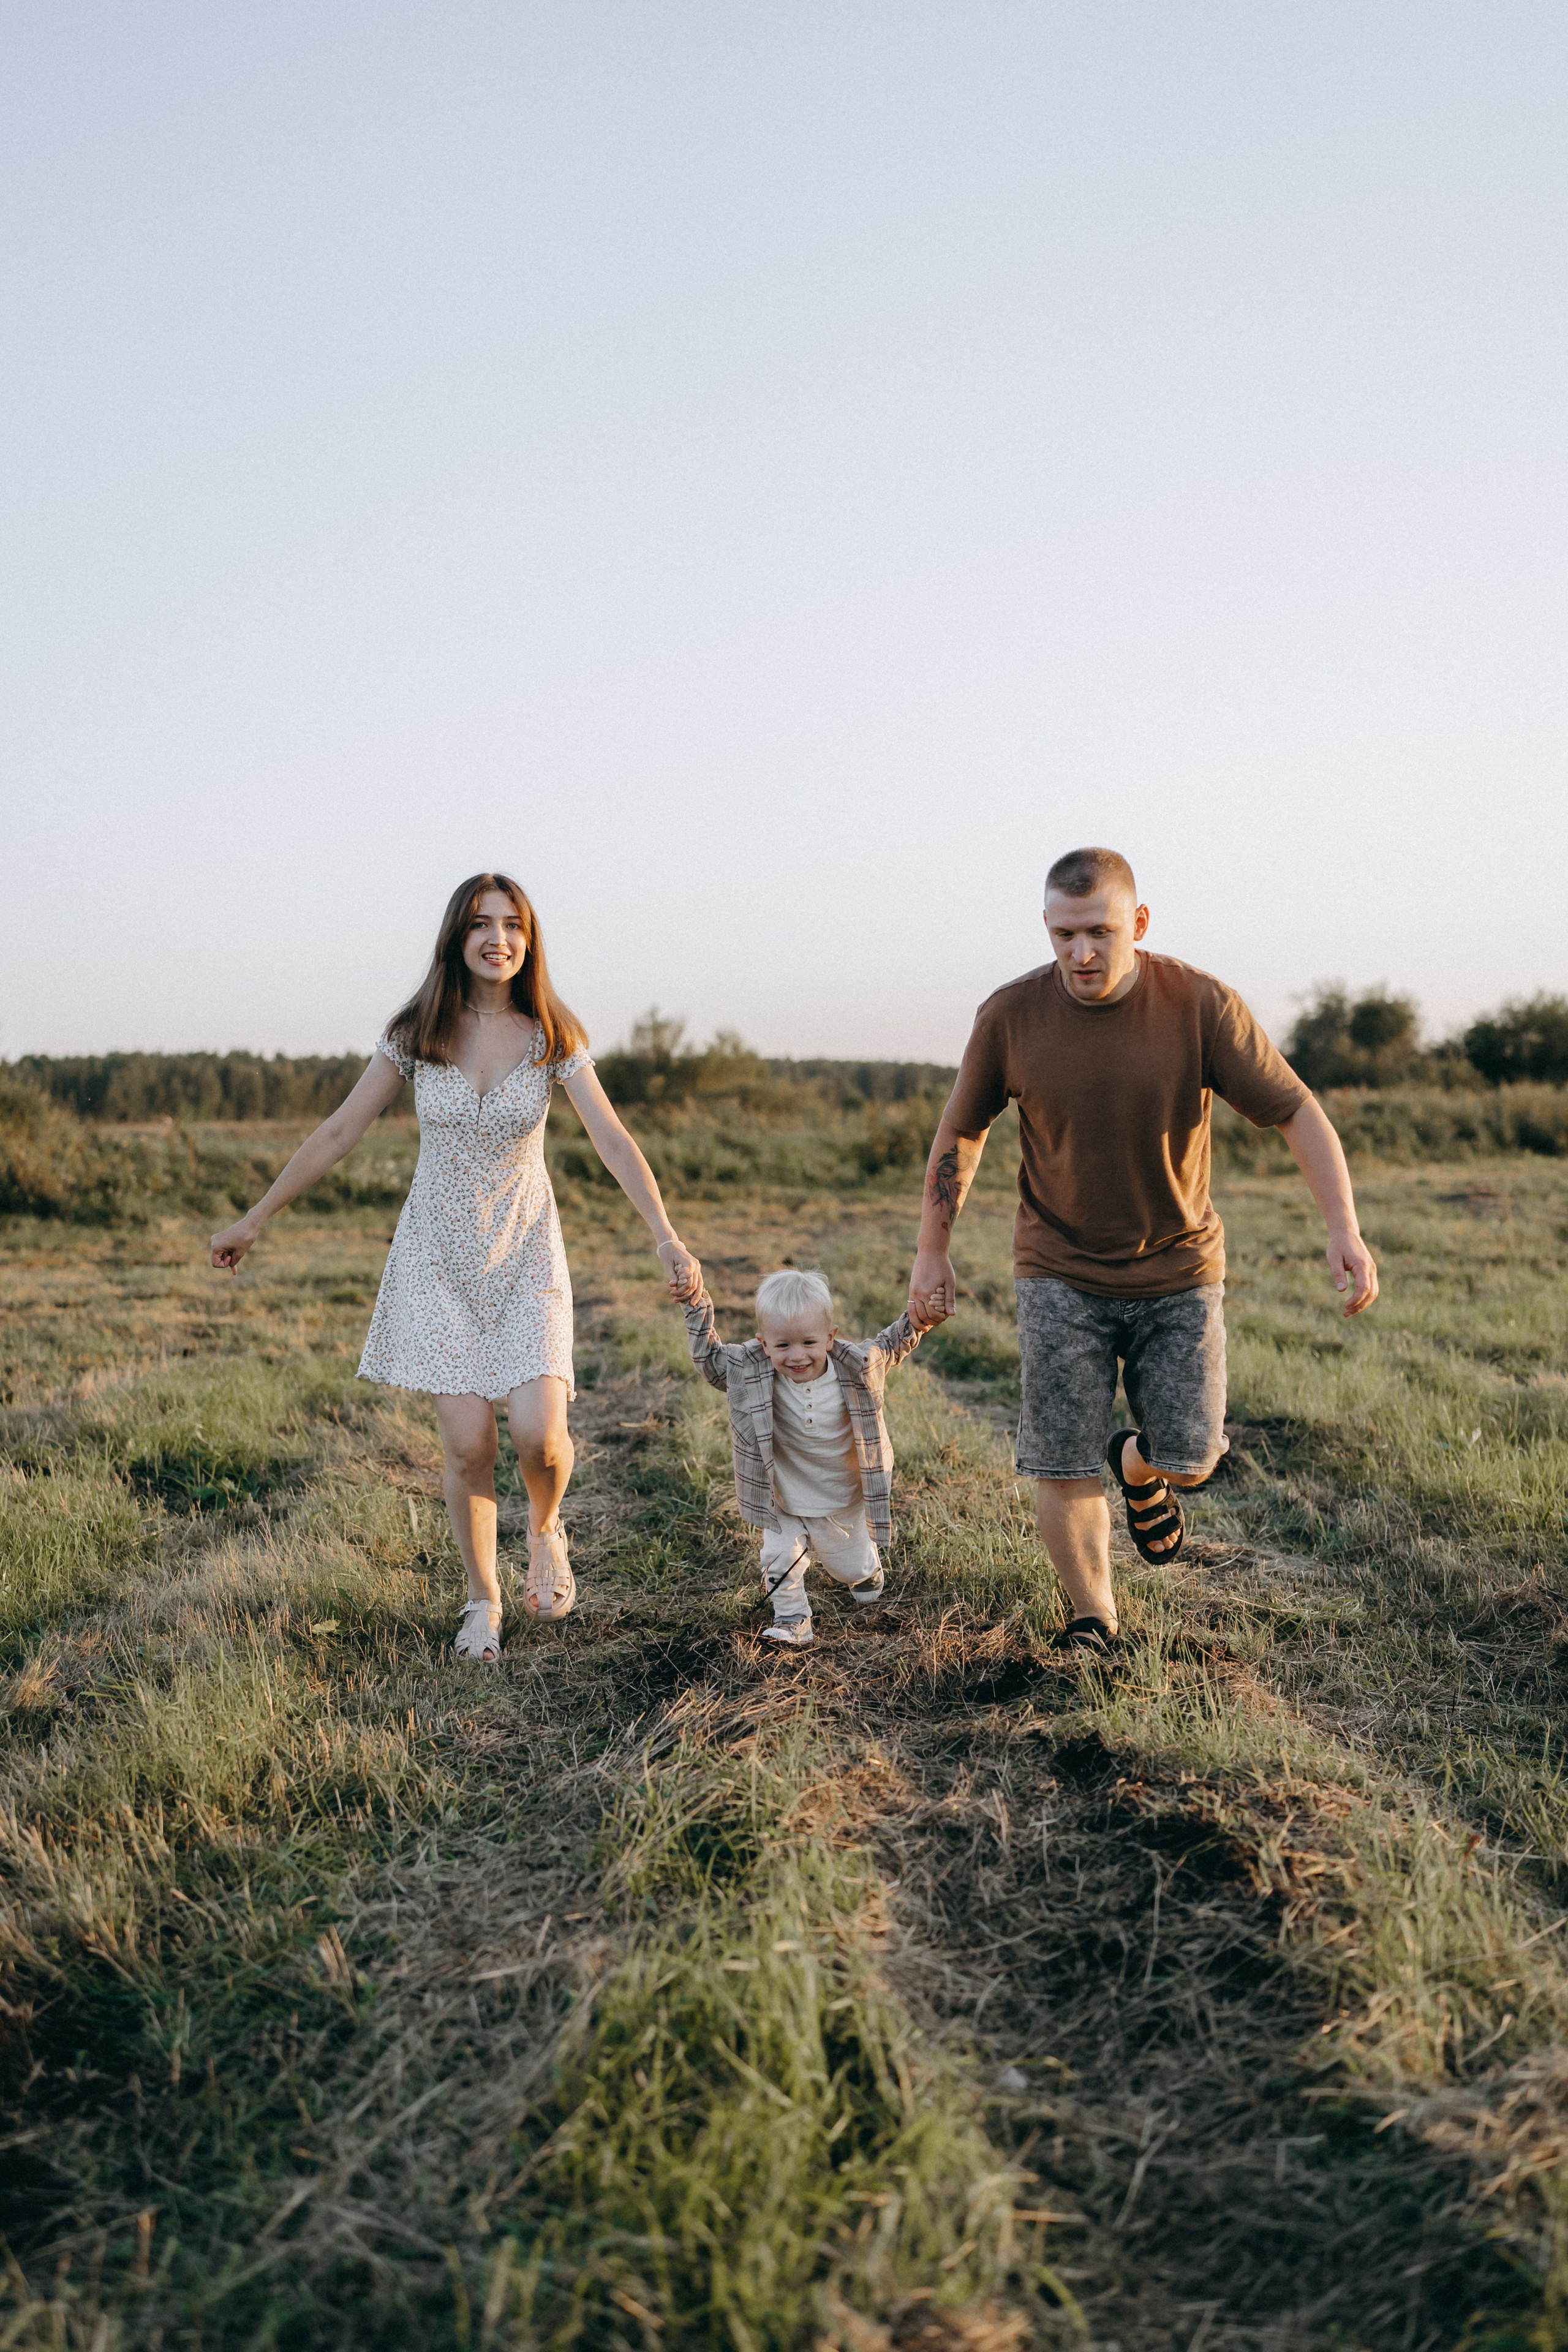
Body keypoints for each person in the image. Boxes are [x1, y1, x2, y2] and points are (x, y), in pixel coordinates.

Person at [209, 871, 700, 1657]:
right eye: (480, 924)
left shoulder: (552, 1033)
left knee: (540, 1437)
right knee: (470, 1443)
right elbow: (339, 1131)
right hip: (434, 1258)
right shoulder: (416, 1033)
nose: (497, 938)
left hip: (525, 1249)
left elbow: (612, 1137)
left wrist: (664, 1233)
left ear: (529, 940)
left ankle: (545, 1527)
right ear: (456, 937)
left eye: (512, 924)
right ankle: (483, 1601)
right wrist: (257, 1217)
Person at [907, 846, 1378, 1654]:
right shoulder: (1011, 1015)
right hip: (1057, 1267)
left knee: (1192, 1457)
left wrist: (1344, 1225)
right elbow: (962, 1131)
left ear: (1140, 922)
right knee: (1059, 1461)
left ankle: (1142, 1467)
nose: (1080, 954)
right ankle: (1094, 1619)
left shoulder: (1198, 1005)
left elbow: (1296, 1110)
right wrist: (932, 1251)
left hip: (1178, 1270)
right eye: (1063, 935)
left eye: (1098, 932)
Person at [679, 1266, 930, 1648]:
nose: (796, 1356)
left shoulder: (856, 1366)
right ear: (764, 1344)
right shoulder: (753, 1369)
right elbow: (712, 1363)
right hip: (784, 1497)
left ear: (830, 1338)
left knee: (849, 1570)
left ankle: (867, 1570)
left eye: (809, 1343)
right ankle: (793, 1619)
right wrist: (694, 1303)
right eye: (782, 1346)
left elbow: (893, 1343)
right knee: (777, 1557)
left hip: (841, 1498)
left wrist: (921, 1317)